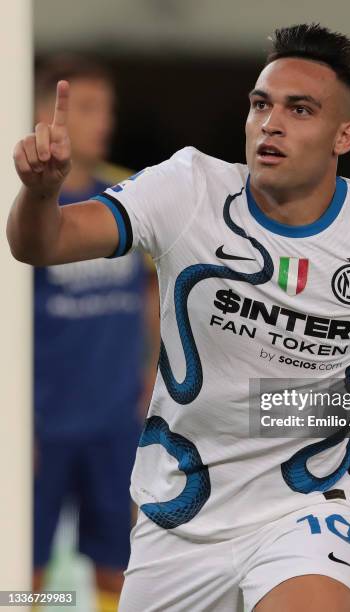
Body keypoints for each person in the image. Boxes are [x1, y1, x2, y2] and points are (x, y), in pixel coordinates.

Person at [8, 24, 350, 612]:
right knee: (22, 580)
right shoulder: (184, 191)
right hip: (172, 505)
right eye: (261, 104)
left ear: (344, 135)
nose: (271, 122)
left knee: (107, 567)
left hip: (308, 503)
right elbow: (41, 244)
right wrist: (41, 195)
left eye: (299, 109)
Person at [29, 56, 158, 612]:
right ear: (44, 111)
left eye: (105, 107)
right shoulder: (26, 209)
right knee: (25, 567)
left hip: (113, 421)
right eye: (84, 107)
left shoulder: (127, 196)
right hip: (37, 427)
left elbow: (149, 290)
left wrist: (151, 374)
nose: (100, 120)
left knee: (119, 563)